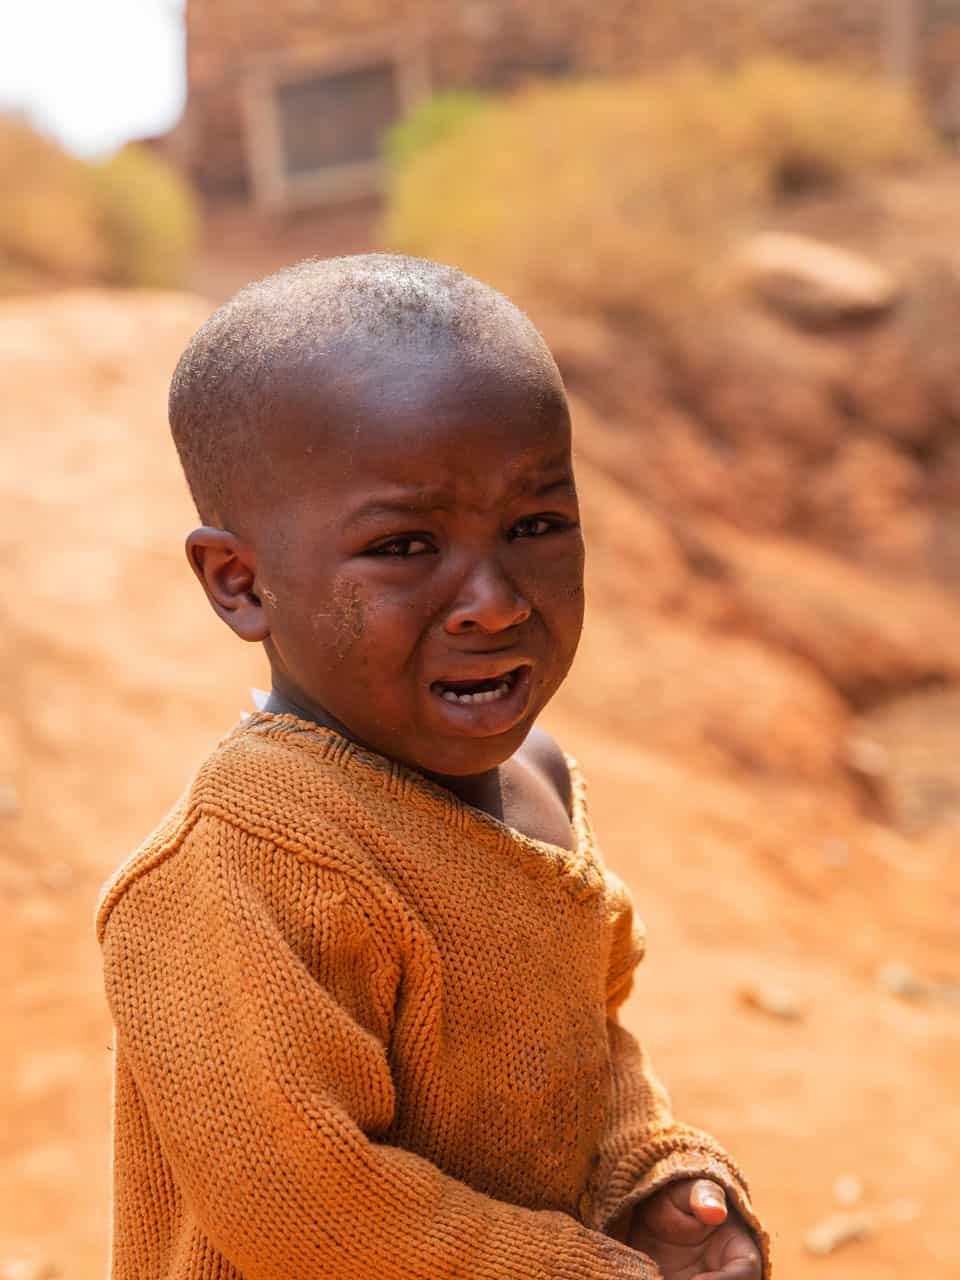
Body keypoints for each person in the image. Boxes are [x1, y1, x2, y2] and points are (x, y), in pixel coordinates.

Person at [97, 254, 769, 1280]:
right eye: (407, 545)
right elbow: (310, 1211)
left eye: (536, 525)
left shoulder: (535, 776)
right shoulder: (245, 861)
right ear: (240, 582)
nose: (494, 599)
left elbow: (581, 1045)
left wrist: (652, 1176)